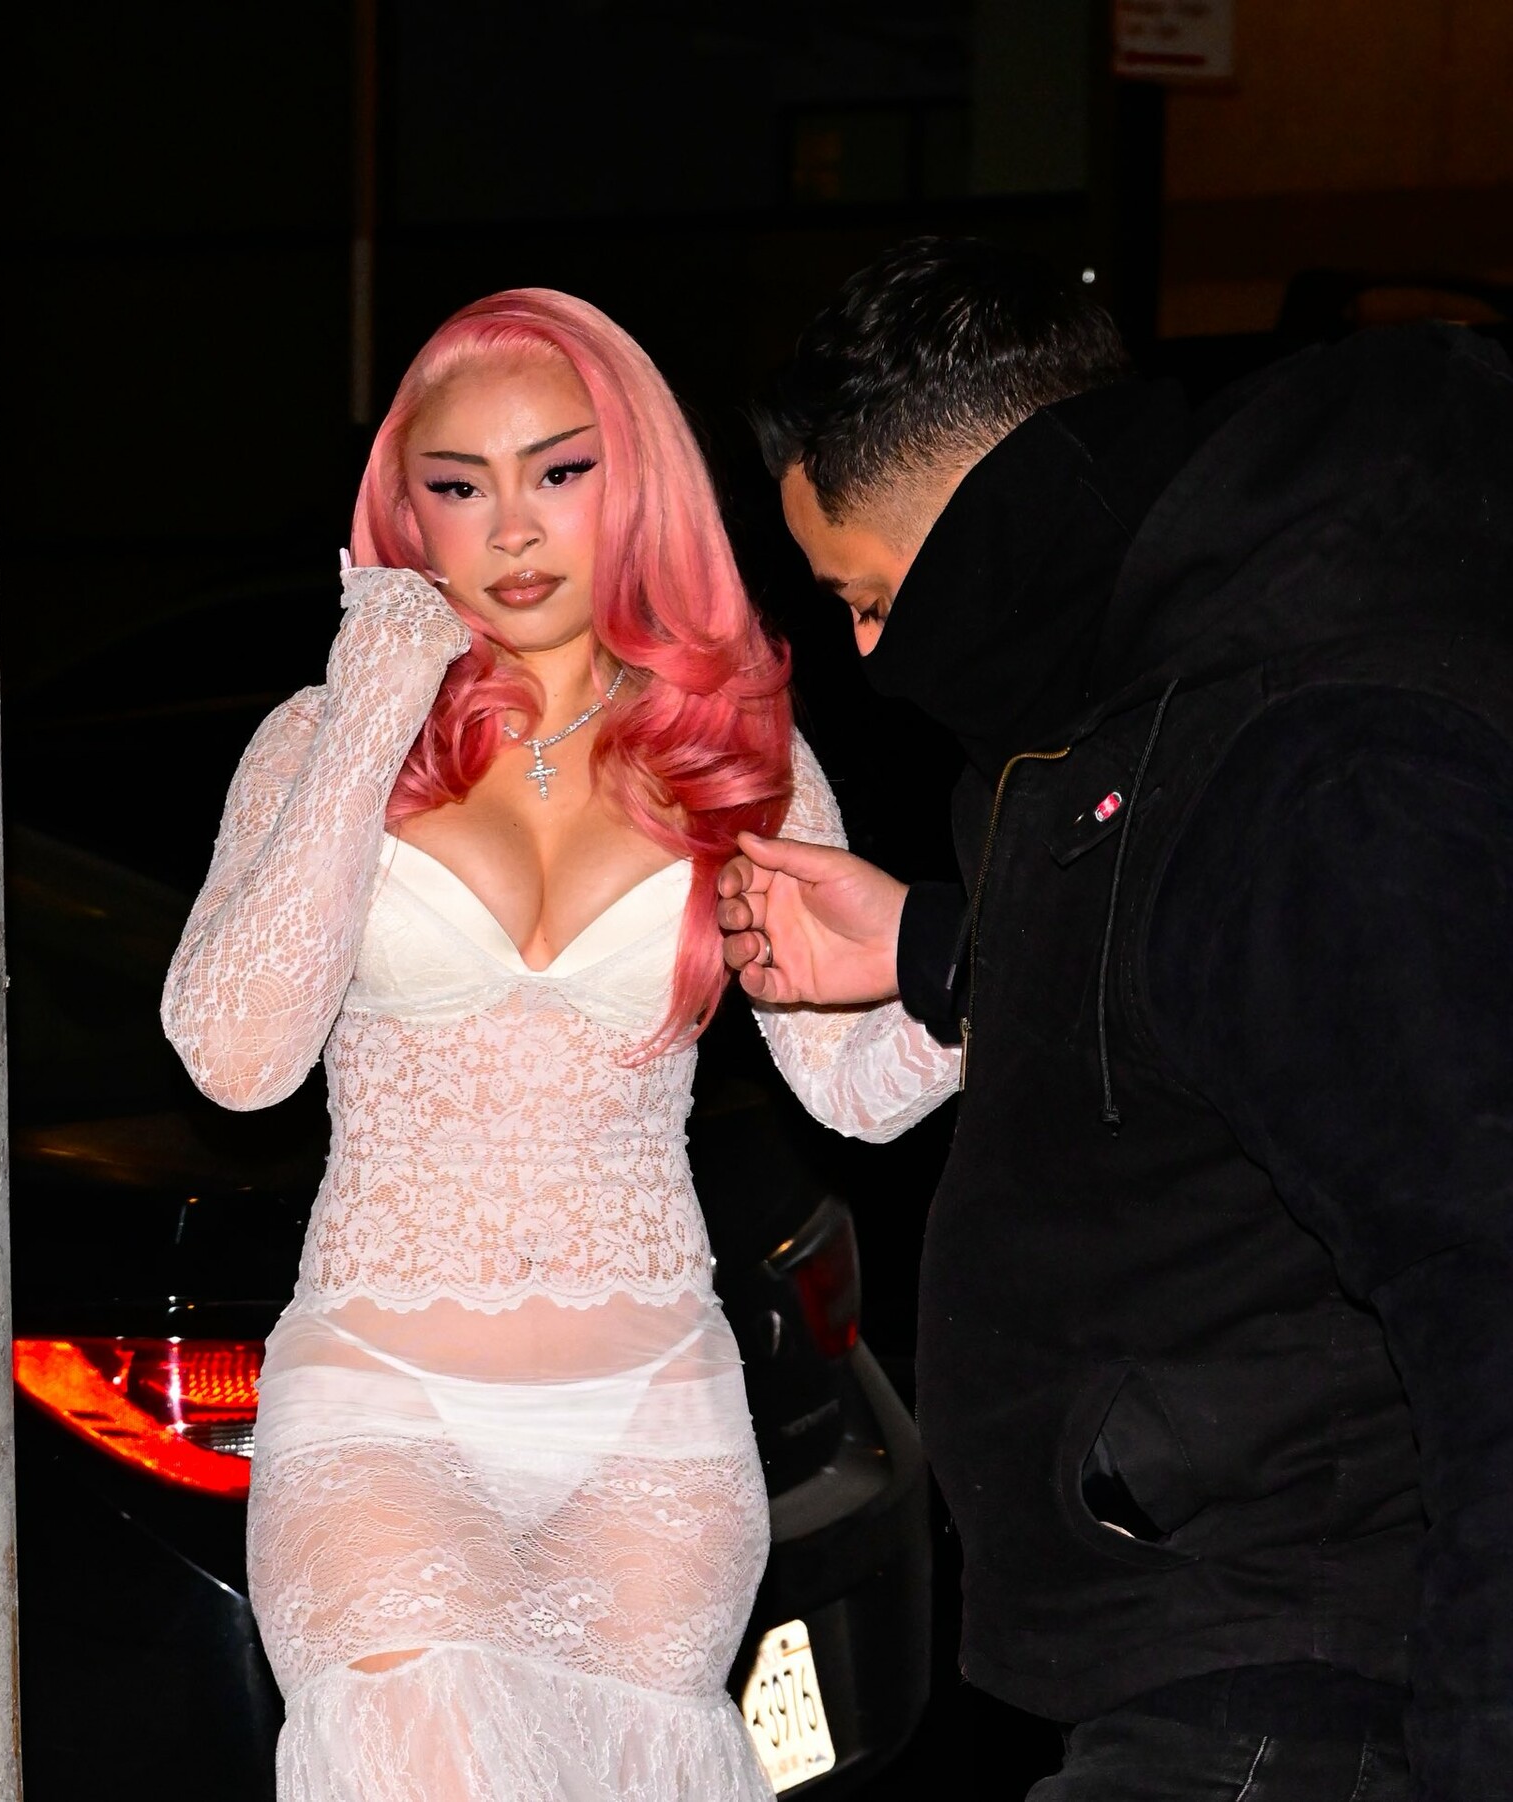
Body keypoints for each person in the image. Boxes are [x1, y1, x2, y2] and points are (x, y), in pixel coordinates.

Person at [719, 237, 1513, 1800]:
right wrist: (934, 944)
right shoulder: (1156, 698)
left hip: (1294, 1686)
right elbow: (1196, 1002)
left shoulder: (1311, 748)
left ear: (981, 517)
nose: (871, 655)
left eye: (871, 597)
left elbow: (1480, 1261)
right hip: (1209, 1662)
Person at [159, 287, 959, 1800]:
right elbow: (237, 1059)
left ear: (635, 480)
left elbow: (856, 1090)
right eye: (461, 487)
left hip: (650, 1417)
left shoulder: (737, 751)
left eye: (560, 471)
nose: (514, 528)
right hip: (380, 1396)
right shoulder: (321, 738)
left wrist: (984, 967)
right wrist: (372, 702)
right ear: (407, 513)